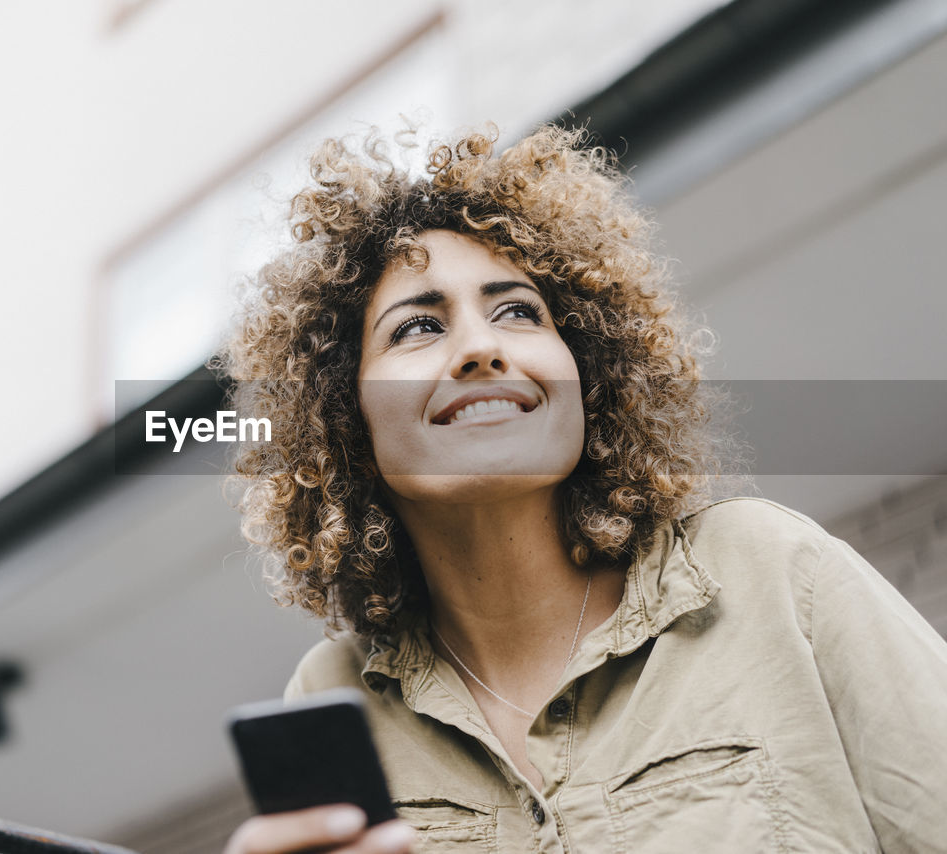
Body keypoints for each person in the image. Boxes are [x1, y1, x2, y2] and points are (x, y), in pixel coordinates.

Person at [218, 125, 947, 853]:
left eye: (517, 311)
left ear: (587, 376)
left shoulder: (772, 572)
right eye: (416, 327)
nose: (480, 347)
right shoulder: (333, 695)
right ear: (345, 417)